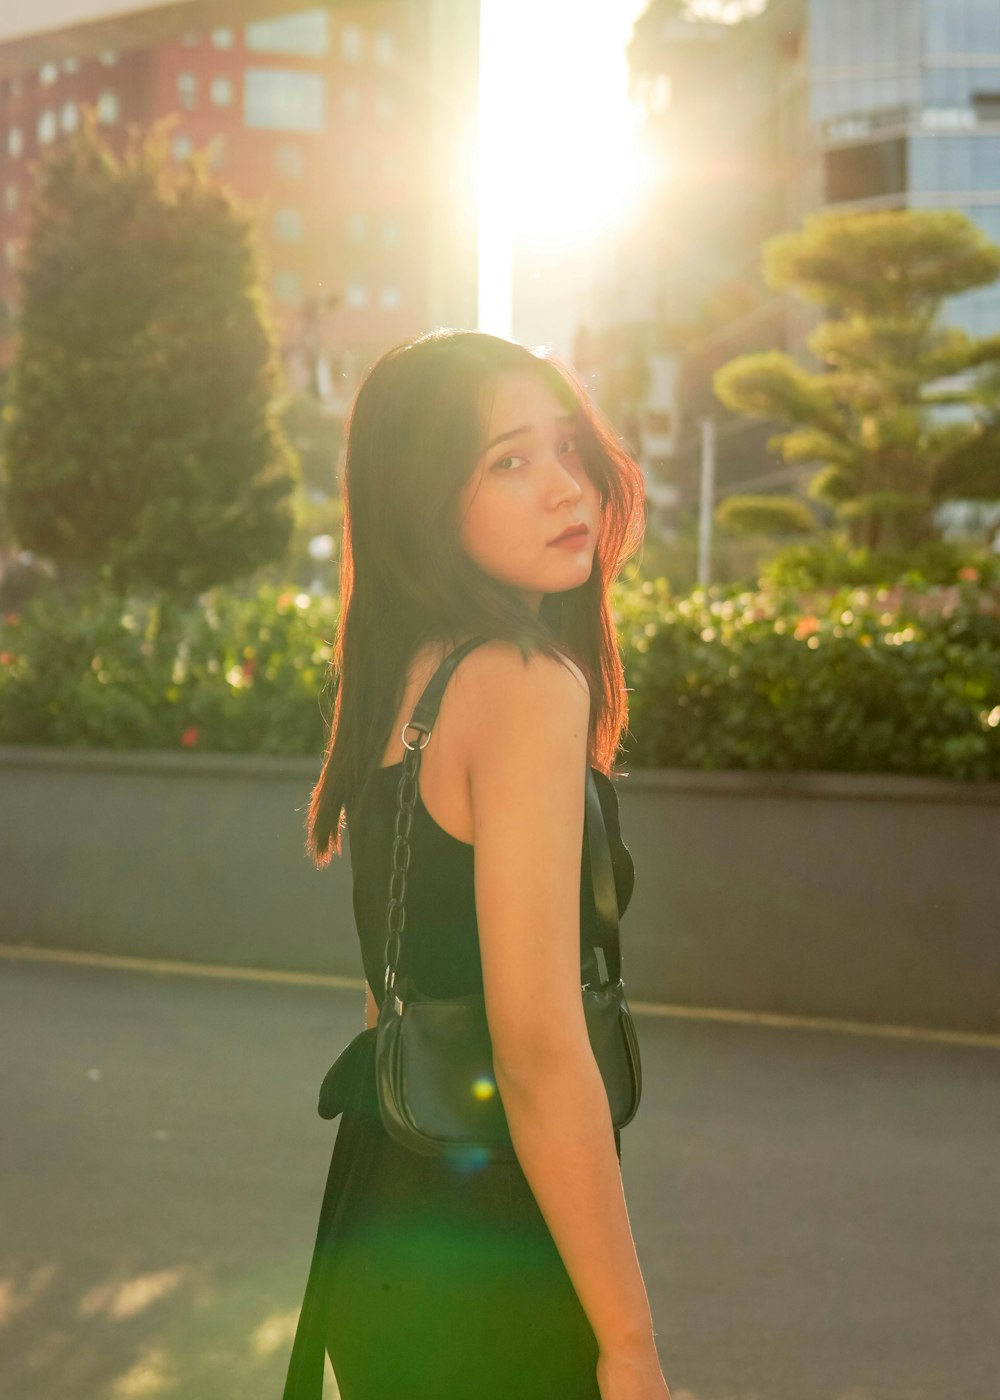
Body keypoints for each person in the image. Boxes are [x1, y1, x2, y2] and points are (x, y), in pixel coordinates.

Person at [284, 329, 671, 1400]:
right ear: (425, 499)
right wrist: (630, 1348)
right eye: (506, 460)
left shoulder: (404, 677)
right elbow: (540, 1050)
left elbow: (389, 989)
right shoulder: (522, 683)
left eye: (565, 448)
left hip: (385, 1224)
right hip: (493, 1249)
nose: (566, 488)